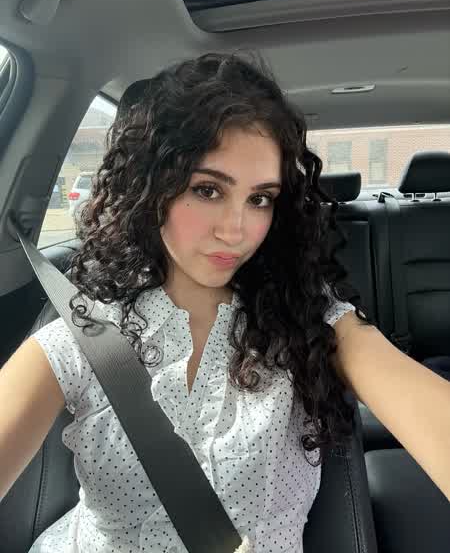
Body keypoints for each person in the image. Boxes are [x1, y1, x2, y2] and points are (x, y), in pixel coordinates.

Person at [1, 52, 449, 553]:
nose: (236, 230)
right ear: (153, 186)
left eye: (260, 198)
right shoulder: (87, 330)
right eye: (208, 189)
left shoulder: (311, 319)